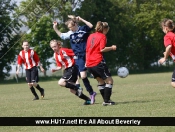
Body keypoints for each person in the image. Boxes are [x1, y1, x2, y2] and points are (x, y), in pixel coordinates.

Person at [53, 15, 96, 104]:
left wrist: (81, 19)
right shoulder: (70, 33)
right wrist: (55, 28)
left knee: (95, 72)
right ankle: (91, 93)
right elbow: (62, 35)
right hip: (79, 57)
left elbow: (91, 26)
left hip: (88, 54)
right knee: (83, 76)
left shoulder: (83, 29)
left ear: (75, 24)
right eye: (69, 28)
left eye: (71, 27)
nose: (70, 29)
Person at [50, 39, 91, 105]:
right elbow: (60, 66)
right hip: (67, 70)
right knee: (72, 90)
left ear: (58, 45)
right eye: (52, 47)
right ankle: (88, 100)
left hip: (72, 68)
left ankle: (78, 88)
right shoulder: (55, 55)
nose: (54, 48)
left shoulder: (63, 50)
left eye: (55, 46)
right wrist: (55, 69)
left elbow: (75, 53)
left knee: (61, 82)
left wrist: (81, 61)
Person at [86, 21, 117, 106]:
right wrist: (112, 47)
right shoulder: (102, 36)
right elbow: (102, 49)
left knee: (101, 82)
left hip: (89, 63)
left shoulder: (91, 36)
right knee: (109, 81)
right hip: (97, 62)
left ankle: (106, 100)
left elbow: (88, 49)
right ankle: (106, 101)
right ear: (106, 29)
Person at [159, 18, 175, 88]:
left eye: (162, 28)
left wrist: (165, 58)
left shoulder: (167, 36)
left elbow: (169, 46)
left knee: (173, 82)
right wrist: (167, 53)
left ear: (166, 28)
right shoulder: (173, 35)